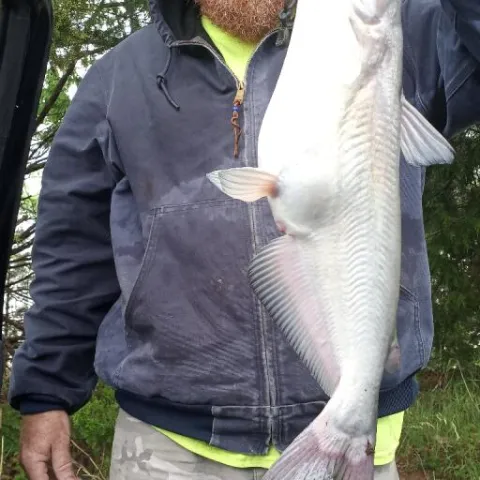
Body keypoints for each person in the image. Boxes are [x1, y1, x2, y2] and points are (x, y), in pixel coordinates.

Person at [7, 0, 480, 479]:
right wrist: (47, 390)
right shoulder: (117, 78)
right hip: (170, 444)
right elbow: (73, 249)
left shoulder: (403, 38)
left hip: (357, 436)